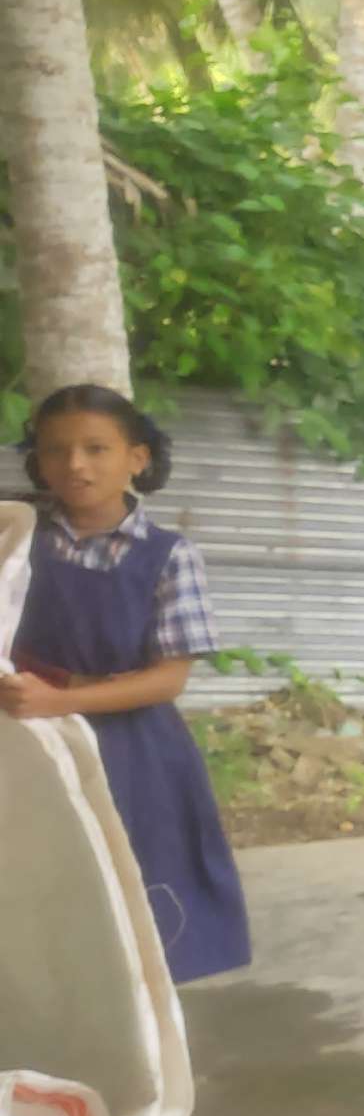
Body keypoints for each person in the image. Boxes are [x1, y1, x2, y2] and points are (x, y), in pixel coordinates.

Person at [7, 385, 251, 983]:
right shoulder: (16, 538)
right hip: (27, 741)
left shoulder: (168, 555)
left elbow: (167, 680)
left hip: (134, 750)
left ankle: (145, 1030)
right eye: (56, 450)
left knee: (138, 888)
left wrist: (61, 700)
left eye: (96, 448)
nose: (75, 464)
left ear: (136, 458)